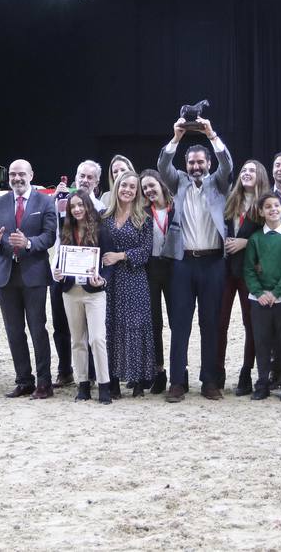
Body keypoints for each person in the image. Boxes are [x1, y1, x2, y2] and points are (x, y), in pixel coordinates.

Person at [156, 116, 232, 402]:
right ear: (186, 166)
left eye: (201, 162)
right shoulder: (179, 183)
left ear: (208, 164)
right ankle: (178, 382)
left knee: (210, 323)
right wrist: (176, 138)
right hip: (183, 263)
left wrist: (212, 134)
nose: (196, 167)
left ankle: (209, 381)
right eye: (192, 163)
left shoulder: (219, 183)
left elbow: (228, 164)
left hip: (213, 263)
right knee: (180, 324)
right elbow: (164, 166)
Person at [0, 159, 59, 399]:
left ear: (31, 175)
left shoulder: (45, 202)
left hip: (34, 274)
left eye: (21, 174)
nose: (17, 178)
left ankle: (44, 383)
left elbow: (49, 237)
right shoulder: (0, 202)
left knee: (38, 329)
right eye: (12, 174)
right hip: (6, 275)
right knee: (14, 331)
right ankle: (23, 380)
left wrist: (28, 243)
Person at [48, 159, 106, 386]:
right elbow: (54, 237)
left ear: (97, 182)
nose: (85, 180)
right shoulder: (61, 204)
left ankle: (91, 373)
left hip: (89, 276)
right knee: (61, 325)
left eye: (90, 177)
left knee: (92, 329)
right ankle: (65, 371)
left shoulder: (102, 209)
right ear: (75, 177)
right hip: (62, 273)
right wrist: (56, 268)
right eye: (82, 175)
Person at [100, 171, 154, 398]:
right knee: (110, 326)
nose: (127, 190)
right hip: (109, 281)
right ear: (117, 187)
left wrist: (120, 256)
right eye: (124, 185)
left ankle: (139, 378)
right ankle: (112, 379)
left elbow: (145, 252)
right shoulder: (104, 217)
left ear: (137, 192)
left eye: (133, 187)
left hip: (134, 279)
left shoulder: (144, 218)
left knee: (136, 326)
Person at [243, 193, 281, 401]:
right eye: (268, 206)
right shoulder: (256, 239)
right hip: (259, 300)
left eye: (276, 205)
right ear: (261, 211)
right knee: (262, 342)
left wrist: (276, 292)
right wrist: (260, 293)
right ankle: (262, 383)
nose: (273, 209)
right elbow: (249, 269)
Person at [219, 159, 269, 396]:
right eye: (243, 170)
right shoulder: (230, 199)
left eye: (252, 170)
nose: (247, 173)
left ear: (260, 175)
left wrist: (246, 243)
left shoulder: (266, 203)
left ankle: (247, 371)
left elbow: (271, 238)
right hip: (226, 270)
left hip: (251, 272)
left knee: (251, 323)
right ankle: (217, 370)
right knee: (220, 322)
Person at [140, 169, 181, 394]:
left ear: (161, 183)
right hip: (151, 269)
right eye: (145, 188)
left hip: (175, 268)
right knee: (154, 323)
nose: (149, 190)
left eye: (151, 185)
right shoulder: (143, 212)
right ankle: (158, 371)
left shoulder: (177, 208)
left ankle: (179, 370)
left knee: (178, 323)